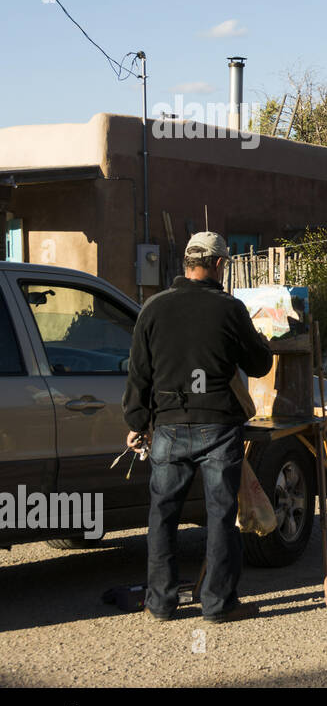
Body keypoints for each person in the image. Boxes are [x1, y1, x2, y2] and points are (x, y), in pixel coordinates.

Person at [123, 232, 273, 622]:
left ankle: (160, 603)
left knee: (162, 515)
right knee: (221, 515)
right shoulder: (230, 309)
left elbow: (138, 373)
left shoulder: (153, 308)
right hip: (218, 424)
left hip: (169, 425)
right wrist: (258, 339)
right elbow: (259, 365)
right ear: (220, 265)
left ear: (187, 264)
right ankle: (218, 604)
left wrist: (137, 422)